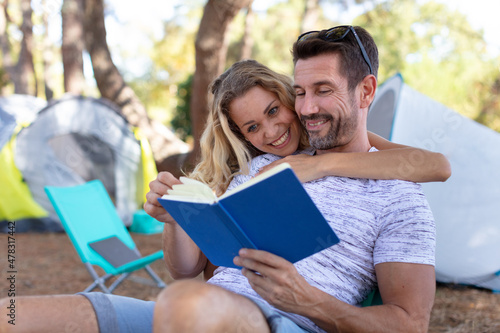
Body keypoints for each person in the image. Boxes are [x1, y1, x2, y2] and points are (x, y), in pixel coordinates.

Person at [0, 26, 448, 333]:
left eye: (324, 91)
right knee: (14, 314)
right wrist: (177, 215)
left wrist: (307, 299)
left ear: (365, 92)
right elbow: (189, 268)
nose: (307, 108)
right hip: (197, 312)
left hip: (278, 320)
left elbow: (410, 324)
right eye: (300, 93)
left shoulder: (397, 195)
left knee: (184, 303)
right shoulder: (258, 168)